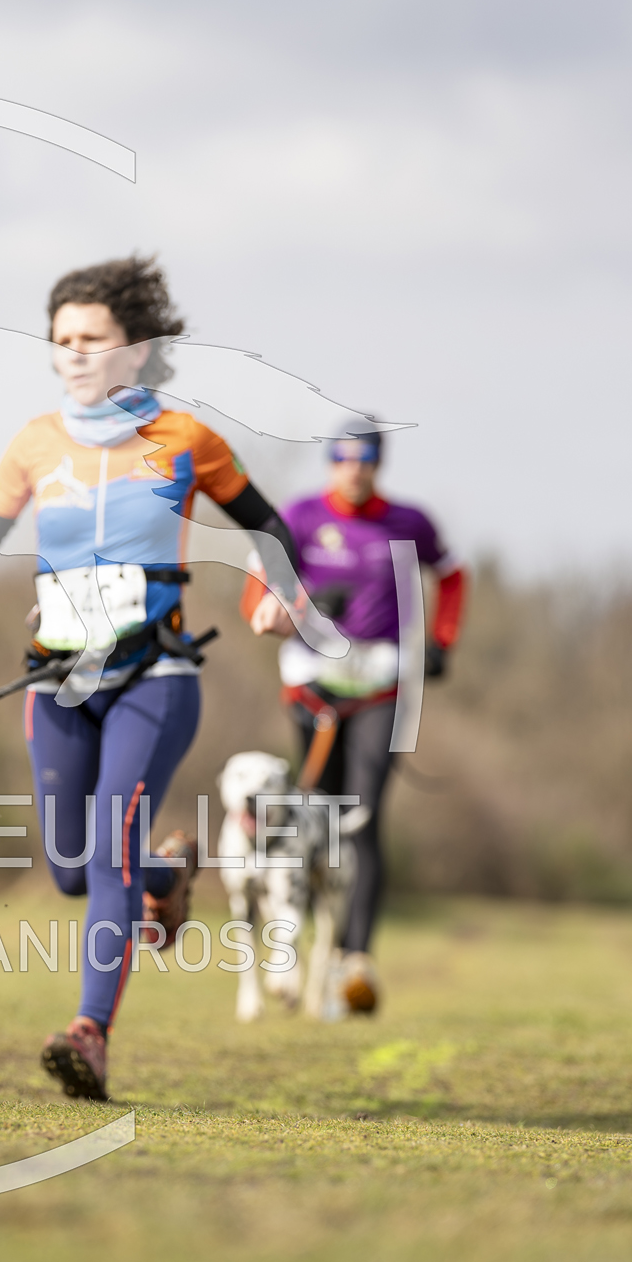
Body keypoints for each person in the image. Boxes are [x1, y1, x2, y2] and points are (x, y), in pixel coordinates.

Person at [0, 255, 307, 1100]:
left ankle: (88, 1033)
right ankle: (164, 879)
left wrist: (279, 591)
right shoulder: (35, 440)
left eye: (90, 338)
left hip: (153, 676)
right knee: (71, 868)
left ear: (134, 348)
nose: (72, 353)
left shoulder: (186, 439)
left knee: (106, 853)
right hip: (57, 680)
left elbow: (268, 526)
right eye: (60, 339)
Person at [243, 432, 466, 1014]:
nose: (353, 470)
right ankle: (296, 954)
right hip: (312, 685)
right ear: (331, 464)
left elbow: (453, 575)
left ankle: (354, 963)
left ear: (378, 465)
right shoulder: (300, 516)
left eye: (364, 460)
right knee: (312, 818)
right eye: (342, 459)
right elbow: (257, 588)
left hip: (381, 688)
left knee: (361, 817)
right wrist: (294, 609)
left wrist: (442, 640)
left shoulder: (409, 522)